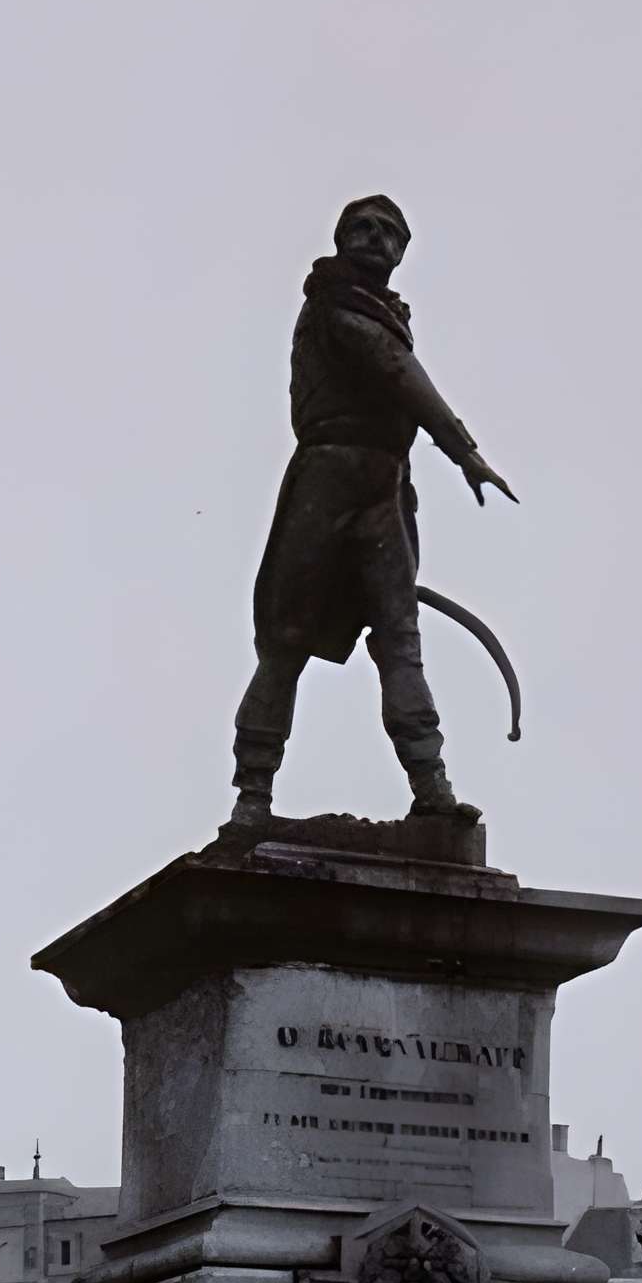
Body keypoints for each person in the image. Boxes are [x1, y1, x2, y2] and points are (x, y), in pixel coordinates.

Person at [228, 195, 515, 830]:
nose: (373, 237)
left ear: (402, 252)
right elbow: (397, 373)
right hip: (327, 478)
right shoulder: (337, 304)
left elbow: (398, 369)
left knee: (400, 641)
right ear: (339, 239)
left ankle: (431, 787)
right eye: (360, 226)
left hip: (384, 485)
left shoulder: (382, 314)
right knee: (284, 641)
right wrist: (464, 450)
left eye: (388, 232)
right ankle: (253, 796)